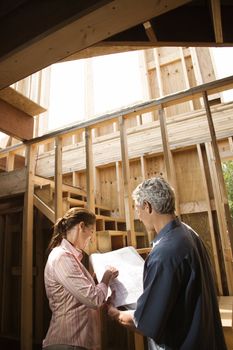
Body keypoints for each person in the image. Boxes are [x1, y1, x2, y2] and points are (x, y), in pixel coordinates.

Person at [107, 177, 227, 350]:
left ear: (147, 206)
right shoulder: (189, 233)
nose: (138, 216)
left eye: (137, 209)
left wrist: (115, 313)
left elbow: (145, 322)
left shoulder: (164, 253)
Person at [43, 207, 118, 350]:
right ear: (81, 226)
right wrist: (106, 277)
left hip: (77, 342)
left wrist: (98, 280)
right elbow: (93, 299)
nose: (92, 238)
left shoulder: (71, 258)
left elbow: (83, 299)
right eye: (92, 232)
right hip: (67, 341)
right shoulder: (62, 257)